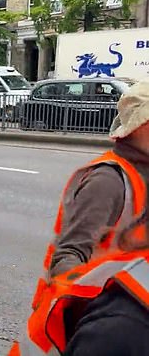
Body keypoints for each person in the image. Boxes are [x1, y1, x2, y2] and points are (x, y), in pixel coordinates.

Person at [9, 79, 149, 355]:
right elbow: (68, 256)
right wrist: (112, 307)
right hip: (92, 328)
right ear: (143, 126)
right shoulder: (108, 180)